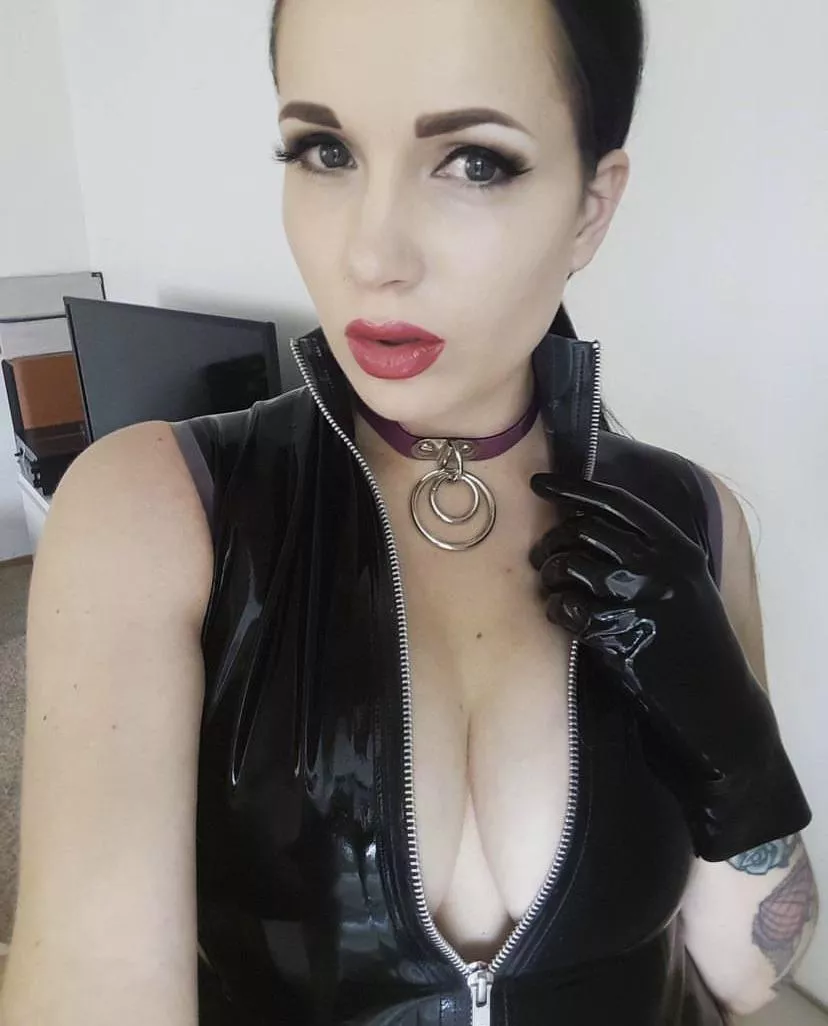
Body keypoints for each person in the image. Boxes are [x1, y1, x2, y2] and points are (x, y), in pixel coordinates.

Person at [0, 1, 818, 1024]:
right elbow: (94, 985)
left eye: (474, 161)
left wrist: (738, 755)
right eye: (326, 150)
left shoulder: (692, 518)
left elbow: (750, 973)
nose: (371, 254)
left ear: (590, 208)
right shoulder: (151, 515)